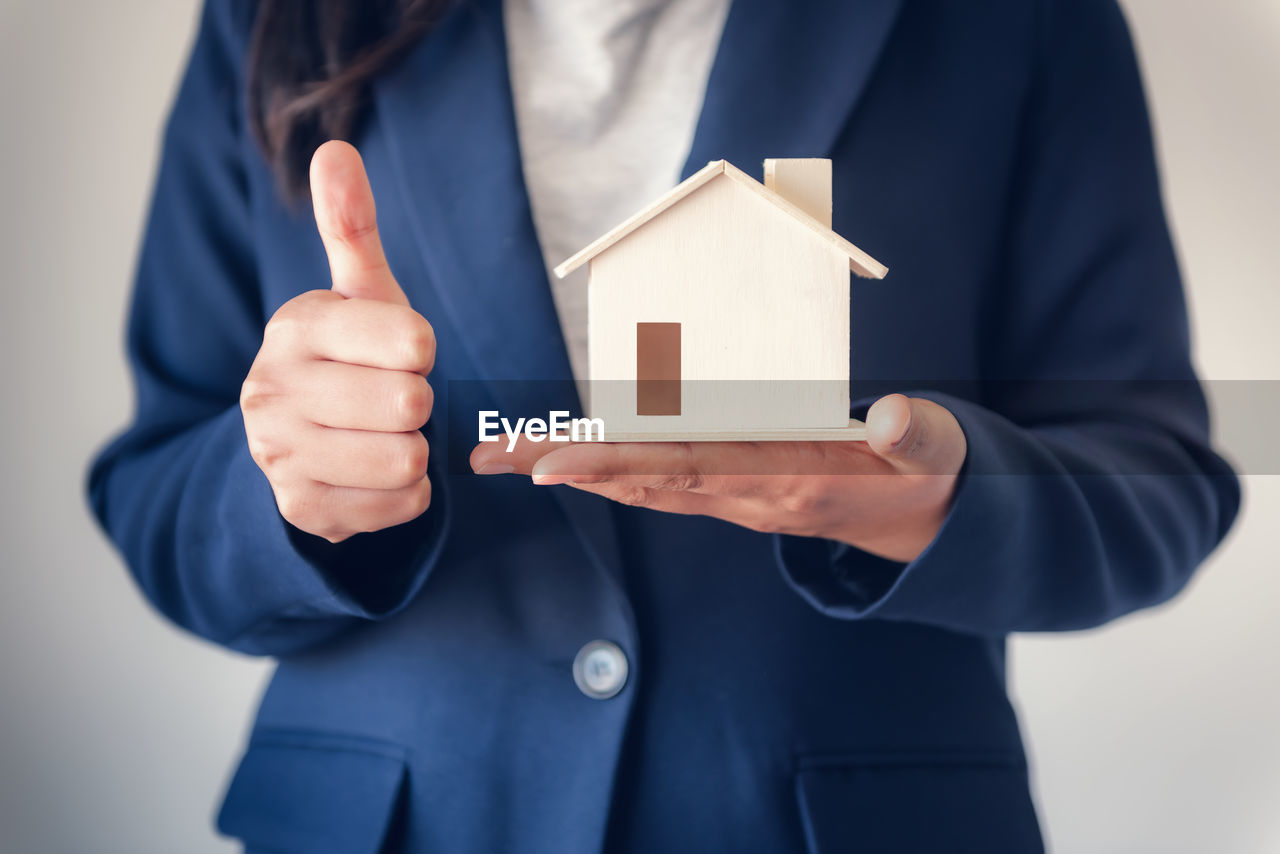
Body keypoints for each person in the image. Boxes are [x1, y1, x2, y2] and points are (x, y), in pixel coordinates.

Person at [89, 0, 1240, 851]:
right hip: (400, 816)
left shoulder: (1019, 21)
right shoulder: (278, 21)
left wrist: (941, 502)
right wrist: (284, 488)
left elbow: (1161, 480)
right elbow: (155, 485)